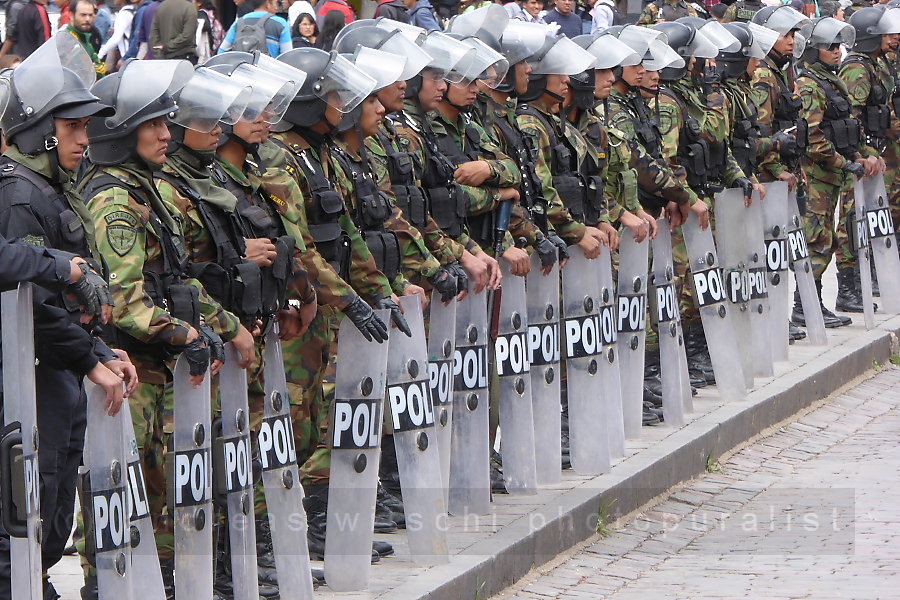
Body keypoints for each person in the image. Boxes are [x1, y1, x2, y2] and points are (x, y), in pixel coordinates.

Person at [79, 58, 247, 595]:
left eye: (163, 122)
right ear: (120, 133)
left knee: (159, 488)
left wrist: (223, 325)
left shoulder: (146, 190)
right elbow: (128, 305)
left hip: (154, 369)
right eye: (150, 125)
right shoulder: (114, 201)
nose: (163, 133)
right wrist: (190, 335)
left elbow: (174, 281)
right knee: (116, 490)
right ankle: (104, 585)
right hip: (129, 370)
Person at [0, 35, 135, 600]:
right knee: (26, 514)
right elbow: (29, 304)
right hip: (28, 379)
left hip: (55, 373)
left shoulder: (49, 190)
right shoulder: (20, 197)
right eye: (73, 126)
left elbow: (73, 298)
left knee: (52, 514)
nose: (85, 138)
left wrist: (101, 352)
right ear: (40, 130)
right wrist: (90, 359)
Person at [793, 17, 877, 327]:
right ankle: (804, 307)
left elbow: (846, 127)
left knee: (825, 239)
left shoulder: (831, 80)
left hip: (832, 176)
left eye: (838, 46)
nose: (837, 51)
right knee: (816, 240)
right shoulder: (809, 84)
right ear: (814, 51)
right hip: (817, 177)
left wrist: (856, 154)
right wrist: (846, 163)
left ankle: (813, 306)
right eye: (829, 47)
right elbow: (813, 139)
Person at [834, 5, 898, 310]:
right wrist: (863, 152)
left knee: (877, 215)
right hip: (862, 157)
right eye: (887, 34)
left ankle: (871, 273)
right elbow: (852, 115)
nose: (893, 39)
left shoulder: (880, 63)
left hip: (879, 152)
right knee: (853, 218)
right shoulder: (858, 68)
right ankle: (849, 287)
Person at [217, 0, 293, 56]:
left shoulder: (239, 22)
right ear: (268, 3)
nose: (277, 7)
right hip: (270, 75)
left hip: (242, 74)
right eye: (276, 2)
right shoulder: (281, 23)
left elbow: (222, 51)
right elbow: (287, 56)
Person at [65, 0, 106, 77]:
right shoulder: (65, 39)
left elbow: (99, 70)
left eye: (90, 15)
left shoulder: (86, 38)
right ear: (71, 15)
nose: (87, 19)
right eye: (83, 15)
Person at [98, 0, 138, 65]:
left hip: (126, 57)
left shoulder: (124, 14)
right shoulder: (134, 10)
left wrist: (100, 54)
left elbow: (116, 38)